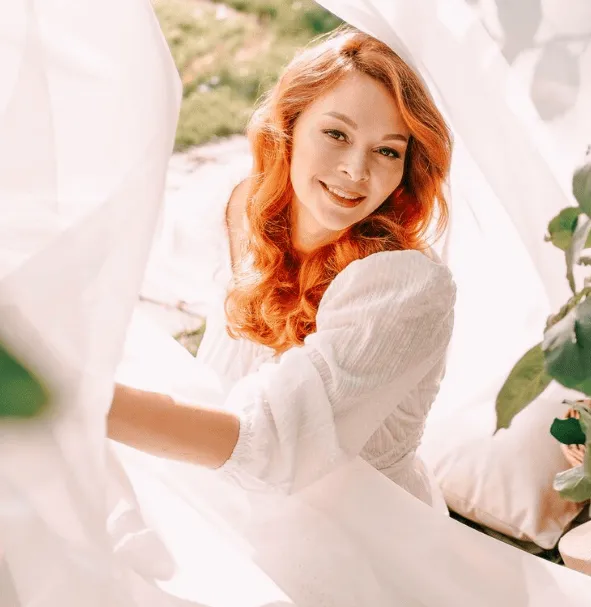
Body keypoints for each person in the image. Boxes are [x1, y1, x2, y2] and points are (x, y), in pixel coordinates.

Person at [108, 26, 457, 508]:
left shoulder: (405, 288)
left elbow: (267, 446)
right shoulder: (246, 208)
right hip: (212, 485)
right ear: (289, 126)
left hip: (346, 527)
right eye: (337, 134)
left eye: (387, 151)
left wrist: (89, 402)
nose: (356, 170)